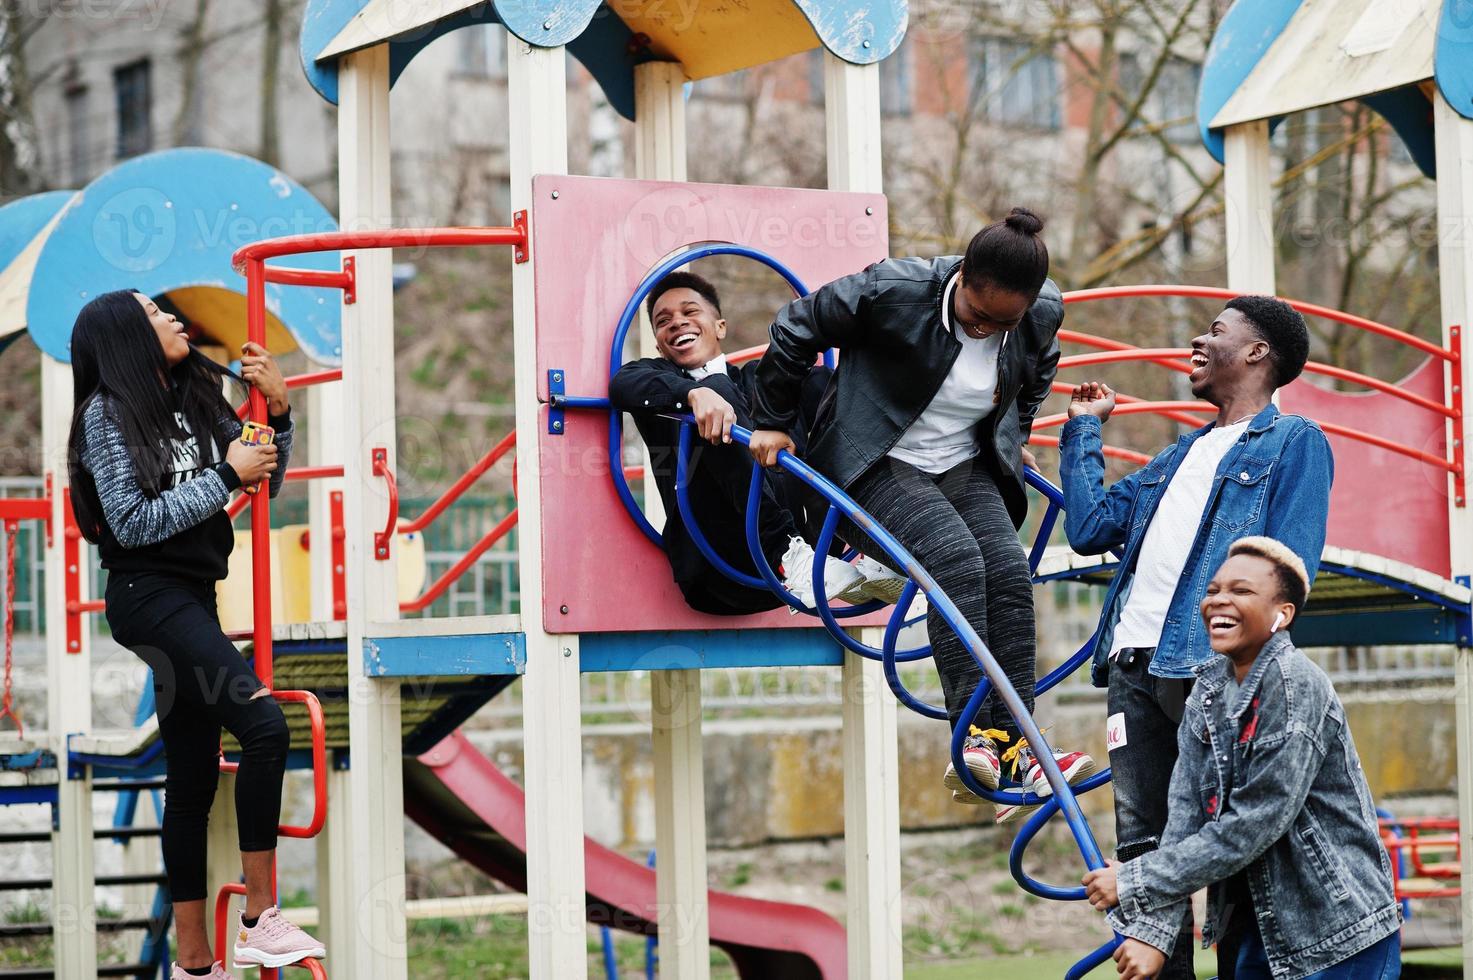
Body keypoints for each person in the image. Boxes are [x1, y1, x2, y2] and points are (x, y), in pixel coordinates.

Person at [747, 208, 1095, 823]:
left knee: (1010, 574)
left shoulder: (1040, 311)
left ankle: (1019, 745)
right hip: (872, 460)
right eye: (977, 316)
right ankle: (973, 739)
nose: (987, 331)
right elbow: (796, 327)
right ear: (960, 278)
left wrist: (1016, 429)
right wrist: (774, 420)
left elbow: (1036, 374)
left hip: (962, 462)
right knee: (955, 565)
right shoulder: (894, 290)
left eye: (1002, 324)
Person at [1060, 295, 1334, 977]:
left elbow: (1287, 567)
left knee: (1234, 848)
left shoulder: (1293, 443)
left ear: (1255, 353)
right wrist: (1084, 432)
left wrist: (1244, 666)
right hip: (1131, 662)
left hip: (1206, 668)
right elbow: (1088, 526)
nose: (1195, 339)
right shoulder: (1176, 455)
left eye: (1215, 330)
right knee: (1142, 850)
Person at [67, 291, 326, 979]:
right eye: (157, 314)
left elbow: (259, 479)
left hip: (194, 595)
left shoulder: (197, 393)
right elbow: (131, 521)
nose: (176, 321)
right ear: (126, 336)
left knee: (190, 779)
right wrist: (223, 475)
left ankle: (192, 963)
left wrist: (279, 413)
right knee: (265, 725)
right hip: (146, 595)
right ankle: (259, 919)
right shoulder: (108, 414)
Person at [1082, 538, 1401, 980]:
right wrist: (1154, 932)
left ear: (1282, 614)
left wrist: (1136, 881)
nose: (1219, 601)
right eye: (1213, 590)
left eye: (1242, 591)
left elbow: (1255, 822)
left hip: (1336, 935)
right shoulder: (1207, 692)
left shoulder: (1294, 686)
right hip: (1258, 936)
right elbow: (1185, 821)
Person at [610, 271, 905, 614]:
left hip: (815, 554)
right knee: (717, 389)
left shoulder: (758, 381)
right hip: (719, 567)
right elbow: (623, 384)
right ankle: (785, 552)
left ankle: (870, 541)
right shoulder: (661, 383)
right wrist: (693, 393)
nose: (677, 322)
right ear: (659, 343)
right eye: (664, 321)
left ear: (719, 326)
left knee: (816, 382)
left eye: (690, 312)